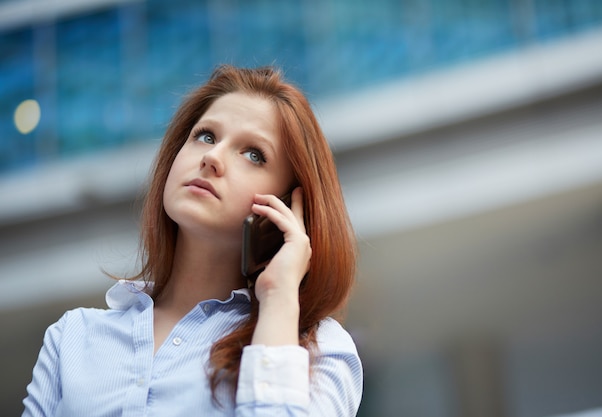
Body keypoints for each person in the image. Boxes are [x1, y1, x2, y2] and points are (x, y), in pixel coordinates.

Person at [22, 65, 363, 416]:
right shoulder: (73, 338)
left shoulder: (318, 350)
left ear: (290, 208)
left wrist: (278, 299)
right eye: (206, 136)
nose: (212, 158)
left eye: (254, 154)